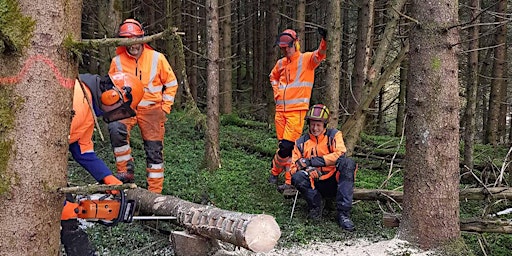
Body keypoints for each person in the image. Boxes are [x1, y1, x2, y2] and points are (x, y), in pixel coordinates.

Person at [61, 73, 143, 255]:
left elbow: (83, 151)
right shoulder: (77, 100)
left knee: (68, 211)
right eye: (121, 110)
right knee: (64, 208)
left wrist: (108, 178)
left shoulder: (88, 106)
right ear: (112, 94)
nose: (117, 115)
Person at [108, 18, 179, 194]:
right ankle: (125, 173)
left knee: (154, 151)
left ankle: (154, 194)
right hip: (126, 108)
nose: (133, 45)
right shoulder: (117, 61)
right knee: (116, 129)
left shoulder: (157, 58)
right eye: (128, 41)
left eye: (136, 40)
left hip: (153, 109)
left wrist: (165, 108)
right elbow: (110, 88)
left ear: (142, 38)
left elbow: (171, 83)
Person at [268, 27, 328, 196]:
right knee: (283, 147)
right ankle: (276, 175)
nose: (284, 50)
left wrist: (325, 40)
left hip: (297, 111)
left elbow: (320, 54)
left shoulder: (306, 59)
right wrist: (277, 91)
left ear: (295, 43)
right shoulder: (281, 63)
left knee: (288, 147)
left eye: (287, 47)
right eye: (282, 47)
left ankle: (285, 179)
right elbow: (272, 76)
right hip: (280, 111)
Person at [290, 104, 357, 231]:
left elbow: (340, 155)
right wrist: (307, 170)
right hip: (314, 183)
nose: (315, 128)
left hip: (333, 181)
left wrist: (311, 162)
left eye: (318, 125)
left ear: (324, 125)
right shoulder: (300, 143)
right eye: (313, 124)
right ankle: (315, 206)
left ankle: (344, 214)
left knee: (348, 164)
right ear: (309, 124)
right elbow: (294, 167)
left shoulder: (334, 135)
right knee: (297, 177)